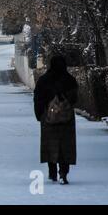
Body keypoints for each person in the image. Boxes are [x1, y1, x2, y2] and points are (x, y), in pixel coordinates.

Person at [33, 55, 78, 185]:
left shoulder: (44, 80)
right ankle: (63, 173)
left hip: (48, 118)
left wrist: (40, 114)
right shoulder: (70, 80)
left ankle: (52, 172)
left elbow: (38, 98)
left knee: (50, 145)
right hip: (66, 119)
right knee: (66, 146)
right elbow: (74, 99)